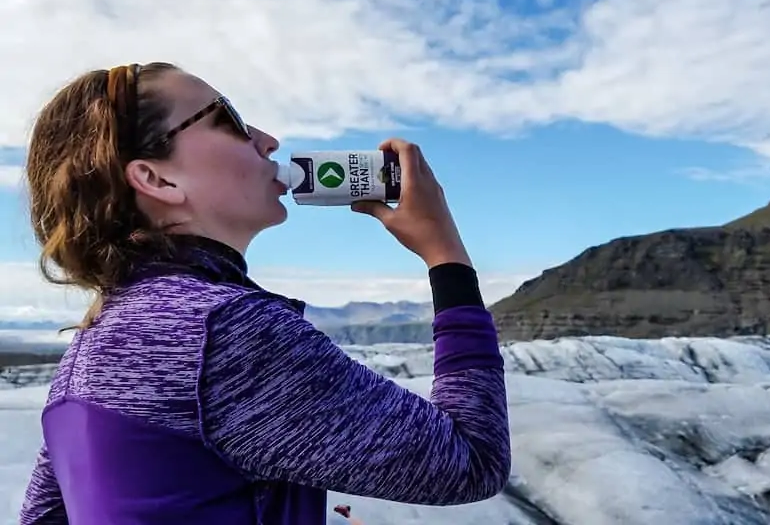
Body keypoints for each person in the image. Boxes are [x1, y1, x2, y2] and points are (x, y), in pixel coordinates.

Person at [18, 62, 511, 524]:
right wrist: (445, 253)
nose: (268, 141)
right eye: (229, 120)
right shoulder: (225, 332)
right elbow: (472, 459)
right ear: (156, 178)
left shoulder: (90, 345)